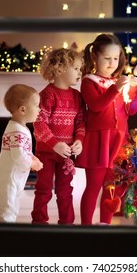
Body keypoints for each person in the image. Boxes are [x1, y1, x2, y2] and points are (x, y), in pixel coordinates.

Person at [75, 34, 137, 225]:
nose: (112, 63)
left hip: (119, 141)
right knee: (94, 186)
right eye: (107, 58)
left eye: (116, 58)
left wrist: (134, 93)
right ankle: (86, 226)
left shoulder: (118, 81)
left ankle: (105, 225)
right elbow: (96, 106)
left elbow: (131, 110)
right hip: (99, 141)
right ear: (95, 57)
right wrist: (116, 88)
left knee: (112, 186)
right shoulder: (89, 81)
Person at [31, 48, 86, 224]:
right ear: (60, 69)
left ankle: (67, 224)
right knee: (44, 189)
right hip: (46, 153)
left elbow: (81, 123)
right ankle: (39, 223)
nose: (80, 72)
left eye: (80, 68)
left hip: (67, 154)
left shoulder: (77, 97)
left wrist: (79, 141)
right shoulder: (47, 95)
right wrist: (54, 144)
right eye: (76, 68)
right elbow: (38, 123)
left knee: (65, 191)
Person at [0, 84, 43, 223]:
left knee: (13, 208)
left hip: (13, 178)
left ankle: (8, 232)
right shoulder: (17, 131)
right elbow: (19, 156)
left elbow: (24, 151)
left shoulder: (20, 128)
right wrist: (32, 163)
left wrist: (34, 158)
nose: (39, 109)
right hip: (8, 178)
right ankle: (4, 237)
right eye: (37, 105)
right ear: (23, 109)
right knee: (8, 210)